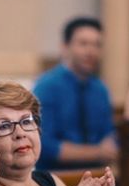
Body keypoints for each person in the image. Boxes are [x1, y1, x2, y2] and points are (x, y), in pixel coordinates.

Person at [33, 17, 119, 170]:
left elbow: (108, 135)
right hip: (54, 177)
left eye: (96, 45)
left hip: (96, 175)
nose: (90, 51)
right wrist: (97, 152)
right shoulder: (47, 86)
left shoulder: (100, 89)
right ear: (65, 47)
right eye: (83, 43)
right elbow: (44, 146)